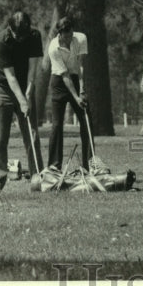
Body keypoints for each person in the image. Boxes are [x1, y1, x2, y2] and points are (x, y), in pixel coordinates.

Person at [0, 11, 44, 192]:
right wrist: (22, 101)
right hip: (2, 90)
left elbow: (33, 68)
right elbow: (10, 77)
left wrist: (28, 92)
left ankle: (37, 177)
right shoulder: (0, 43)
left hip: (24, 85)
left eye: (23, 36)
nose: (20, 39)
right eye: (17, 36)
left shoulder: (34, 36)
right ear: (10, 29)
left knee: (32, 135)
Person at [46, 15, 92, 171]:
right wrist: (76, 97)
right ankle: (54, 165)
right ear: (60, 33)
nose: (69, 38)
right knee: (57, 125)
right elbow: (64, 75)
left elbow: (80, 65)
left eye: (71, 34)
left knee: (87, 122)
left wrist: (82, 89)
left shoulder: (80, 38)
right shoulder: (53, 48)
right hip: (59, 81)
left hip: (75, 77)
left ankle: (89, 164)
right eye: (66, 36)